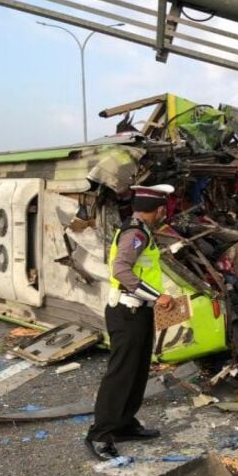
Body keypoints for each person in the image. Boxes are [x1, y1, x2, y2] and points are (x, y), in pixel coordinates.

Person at [85, 184, 176, 461]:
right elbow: (121, 270)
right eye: (164, 208)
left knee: (137, 371)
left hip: (139, 312)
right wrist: (157, 296)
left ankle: (123, 424)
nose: (164, 213)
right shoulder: (135, 233)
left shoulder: (140, 230)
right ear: (159, 209)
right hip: (127, 312)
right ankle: (100, 435)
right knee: (121, 374)